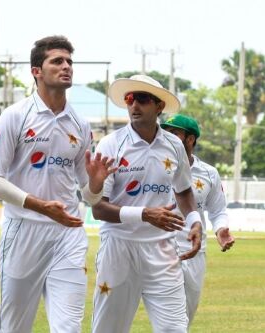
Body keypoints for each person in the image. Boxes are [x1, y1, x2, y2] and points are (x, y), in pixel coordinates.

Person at [0, 35, 115, 333]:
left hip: (68, 233)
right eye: (57, 61)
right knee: (13, 327)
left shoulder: (79, 123)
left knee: (68, 328)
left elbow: (89, 196)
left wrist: (95, 185)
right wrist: (39, 206)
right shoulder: (14, 116)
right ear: (36, 71)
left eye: (69, 61)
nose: (66, 66)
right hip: (23, 232)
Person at [91, 74, 204, 333]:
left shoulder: (174, 145)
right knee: (109, 329)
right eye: (129, 99)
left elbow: (184, 190)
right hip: (118, 250)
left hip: (162, 250)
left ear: (159, 106)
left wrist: (194, 221)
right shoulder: (111, 145)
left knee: (175, 329)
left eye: (142, 99)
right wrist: (145, 214)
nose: (134, 105)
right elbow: (98, 208)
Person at [160, 114, 235, 325]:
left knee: (185, 317)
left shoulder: (209, 173)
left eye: (174, 133)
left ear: (190, 139)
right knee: (169, 318)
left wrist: (221, 229)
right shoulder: (157, 165)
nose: (166, 137)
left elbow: (218, 210)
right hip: (157, 248)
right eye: (165, 132)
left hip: (193, 251)